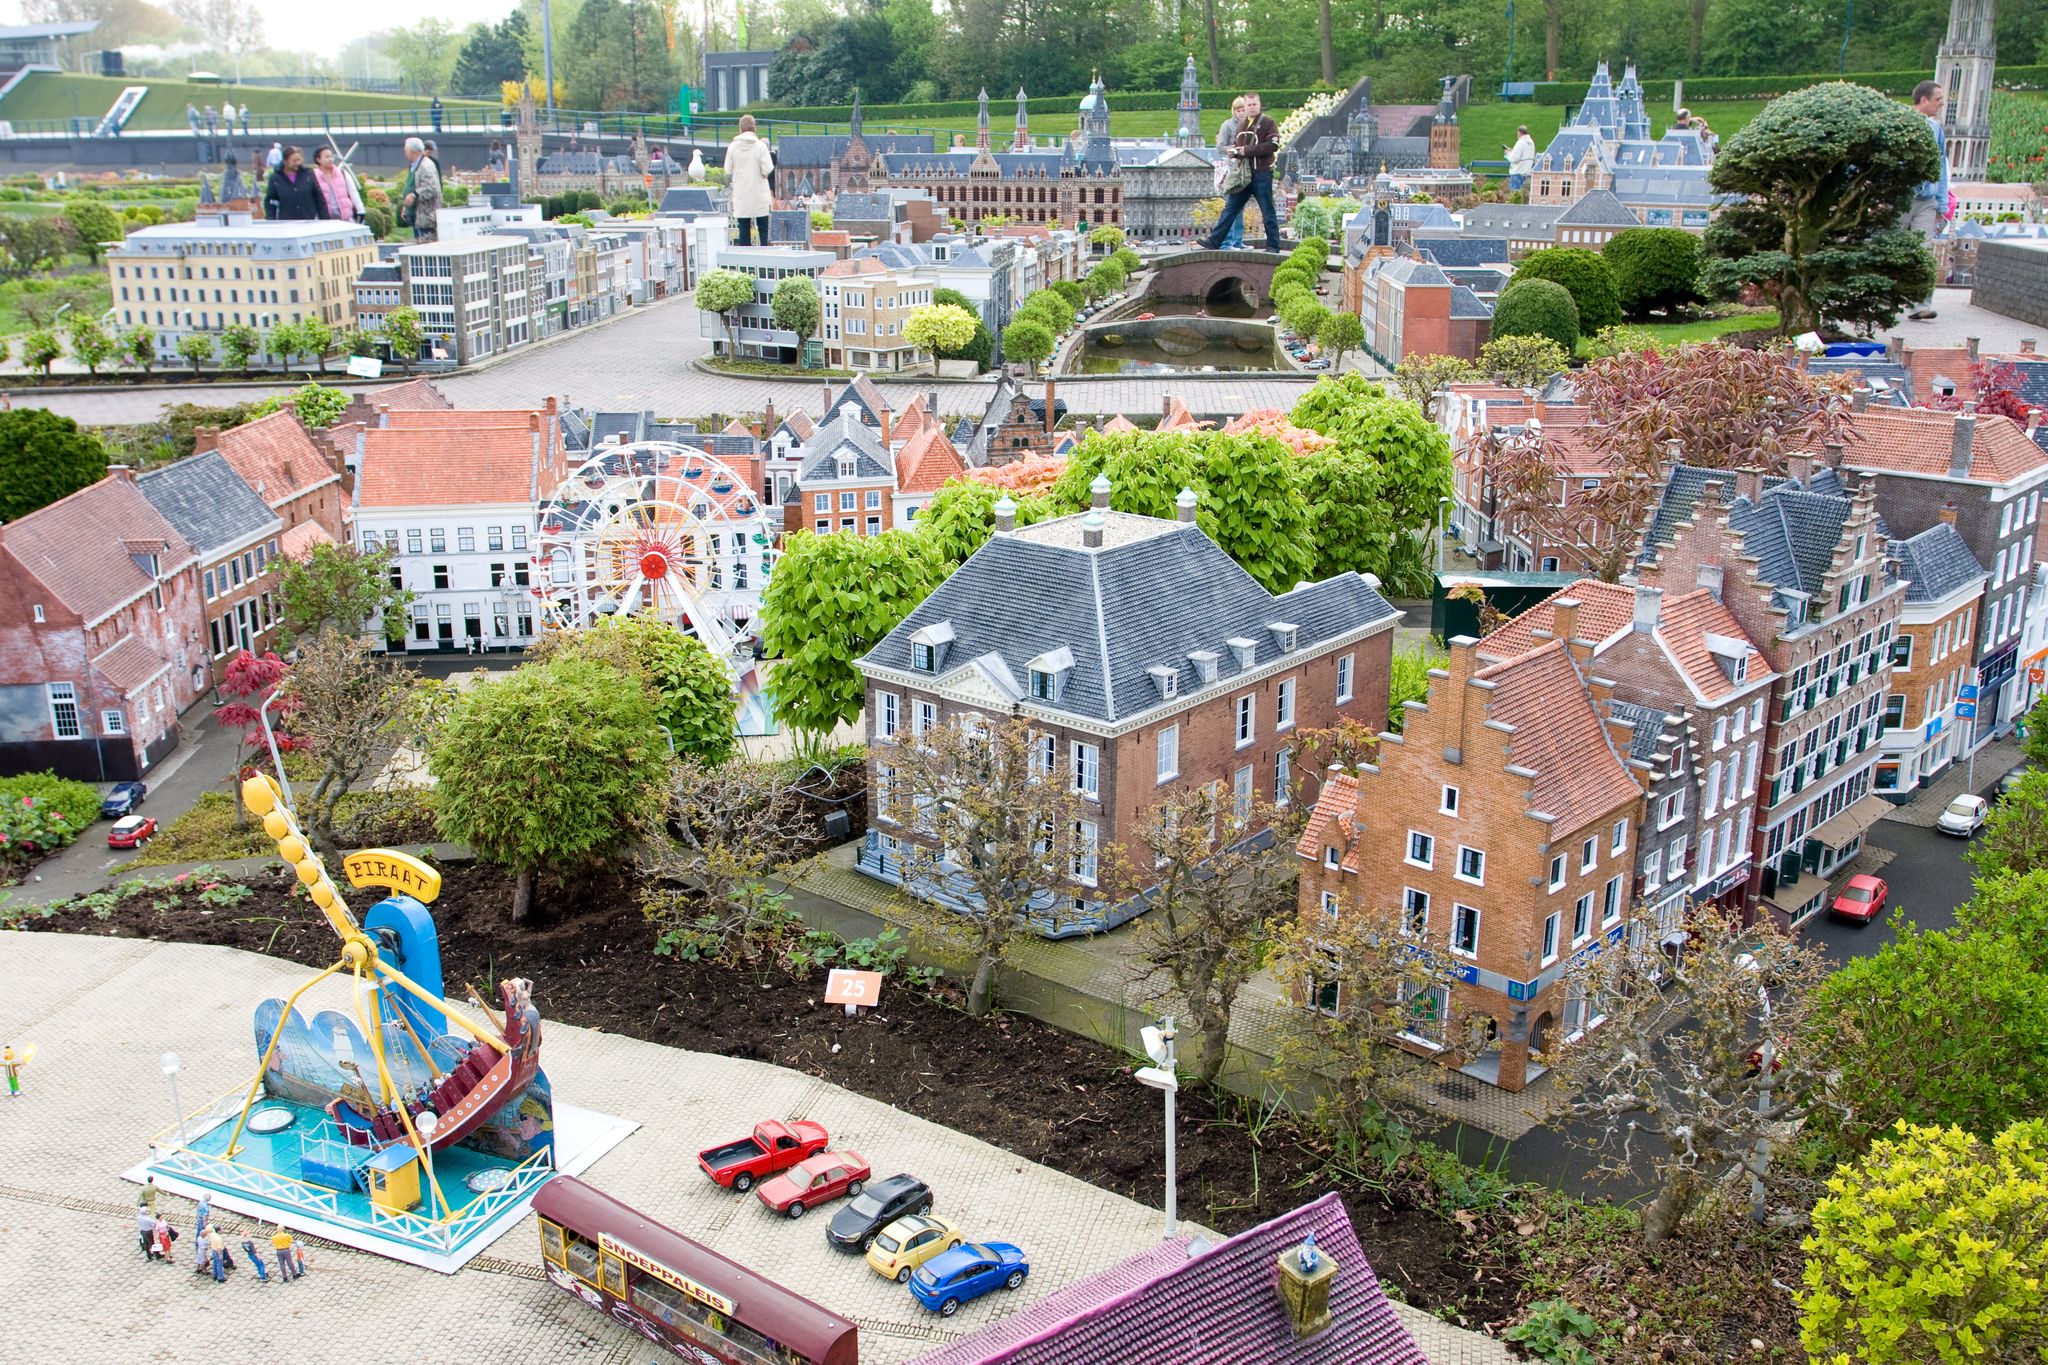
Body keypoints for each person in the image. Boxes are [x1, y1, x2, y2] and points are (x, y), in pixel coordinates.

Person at [1202, 92, 1282, 253]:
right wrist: (1235, 152)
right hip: (1244, 174)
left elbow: (1273, 146)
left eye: (1254, 104)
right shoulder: (1241, 125)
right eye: (1249, 105)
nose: (1252, 108)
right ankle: (1214, 241)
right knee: (1230, 208)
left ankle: (1273, 245)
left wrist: (1246, 150)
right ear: (1245, 106)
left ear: (1259, 105)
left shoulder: (1268, 122)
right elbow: (1237, 147)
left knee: (1267, 209)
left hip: (1262, 173)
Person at [1907, 79, 1953, 321]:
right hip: (1900, 198)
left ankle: (1920, 305)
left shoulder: (1936, 129)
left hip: (1926, 200)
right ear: (1923, 100)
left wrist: (1942, 204)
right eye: (1938, 100)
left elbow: (1941, 168)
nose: (1940, 105)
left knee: (1923, 252)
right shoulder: (1900, 123)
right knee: (1890, 246)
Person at [722, 114, 775, 246]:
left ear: (740, 129)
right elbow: (768, 169)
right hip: (759, 193)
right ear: (754, 128)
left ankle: (746, 258)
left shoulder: (733, 147)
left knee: (743, 228)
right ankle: (765, 256)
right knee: (763, 228)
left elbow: (727, 170)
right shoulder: (760, 147)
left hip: (741, 193)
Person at [264, 145, 330, 221]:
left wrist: (325, 219)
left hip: (308, 221)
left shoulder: (308, 174)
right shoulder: (275, 178)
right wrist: (271, 220)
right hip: (287, 222)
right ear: (285, 161)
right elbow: (270, 201)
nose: (297, 163)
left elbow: (319, 198)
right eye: (294, 161)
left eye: (299, 160)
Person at [1213, 97, 1246, 249]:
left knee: (1240, 207)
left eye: (1243, 110)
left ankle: (1238, 242)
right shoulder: (1227, 125)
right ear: (1234, 111)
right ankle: (1227, 243)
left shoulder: (1250, 125)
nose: (1241, 113)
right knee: (1231, 206)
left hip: (1244, 169)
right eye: (1238, 111)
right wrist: (1233, 149)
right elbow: (1219, 147)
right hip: (1231, 169)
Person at [401, 136, 442, 244]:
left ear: (412, 151)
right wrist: (406, 207)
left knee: (427, 249)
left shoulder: (426, 166)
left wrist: (414, 195)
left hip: (427, 218)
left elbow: (431, 188)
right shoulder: (414, 165)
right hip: (417, 216)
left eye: (405, 149)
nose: (404, 151)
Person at [311, 145, 364, 221]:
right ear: (318, 159)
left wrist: (360, 210)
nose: (330, 159)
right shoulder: (313, 176)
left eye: (331, 156)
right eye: (327, 157)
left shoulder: (342, 173)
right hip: (324, 219)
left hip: (345, 217)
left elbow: (353, 192)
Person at [1506, 124, 1536, 193]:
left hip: (1517, 173)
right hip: (1527, 172)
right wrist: (1513, 151)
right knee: (1523, 196)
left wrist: (1508, 153)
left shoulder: (1520, 142)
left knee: (1515, 196)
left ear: (1519, 133)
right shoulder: (1531, 142)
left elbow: (1514, 159)